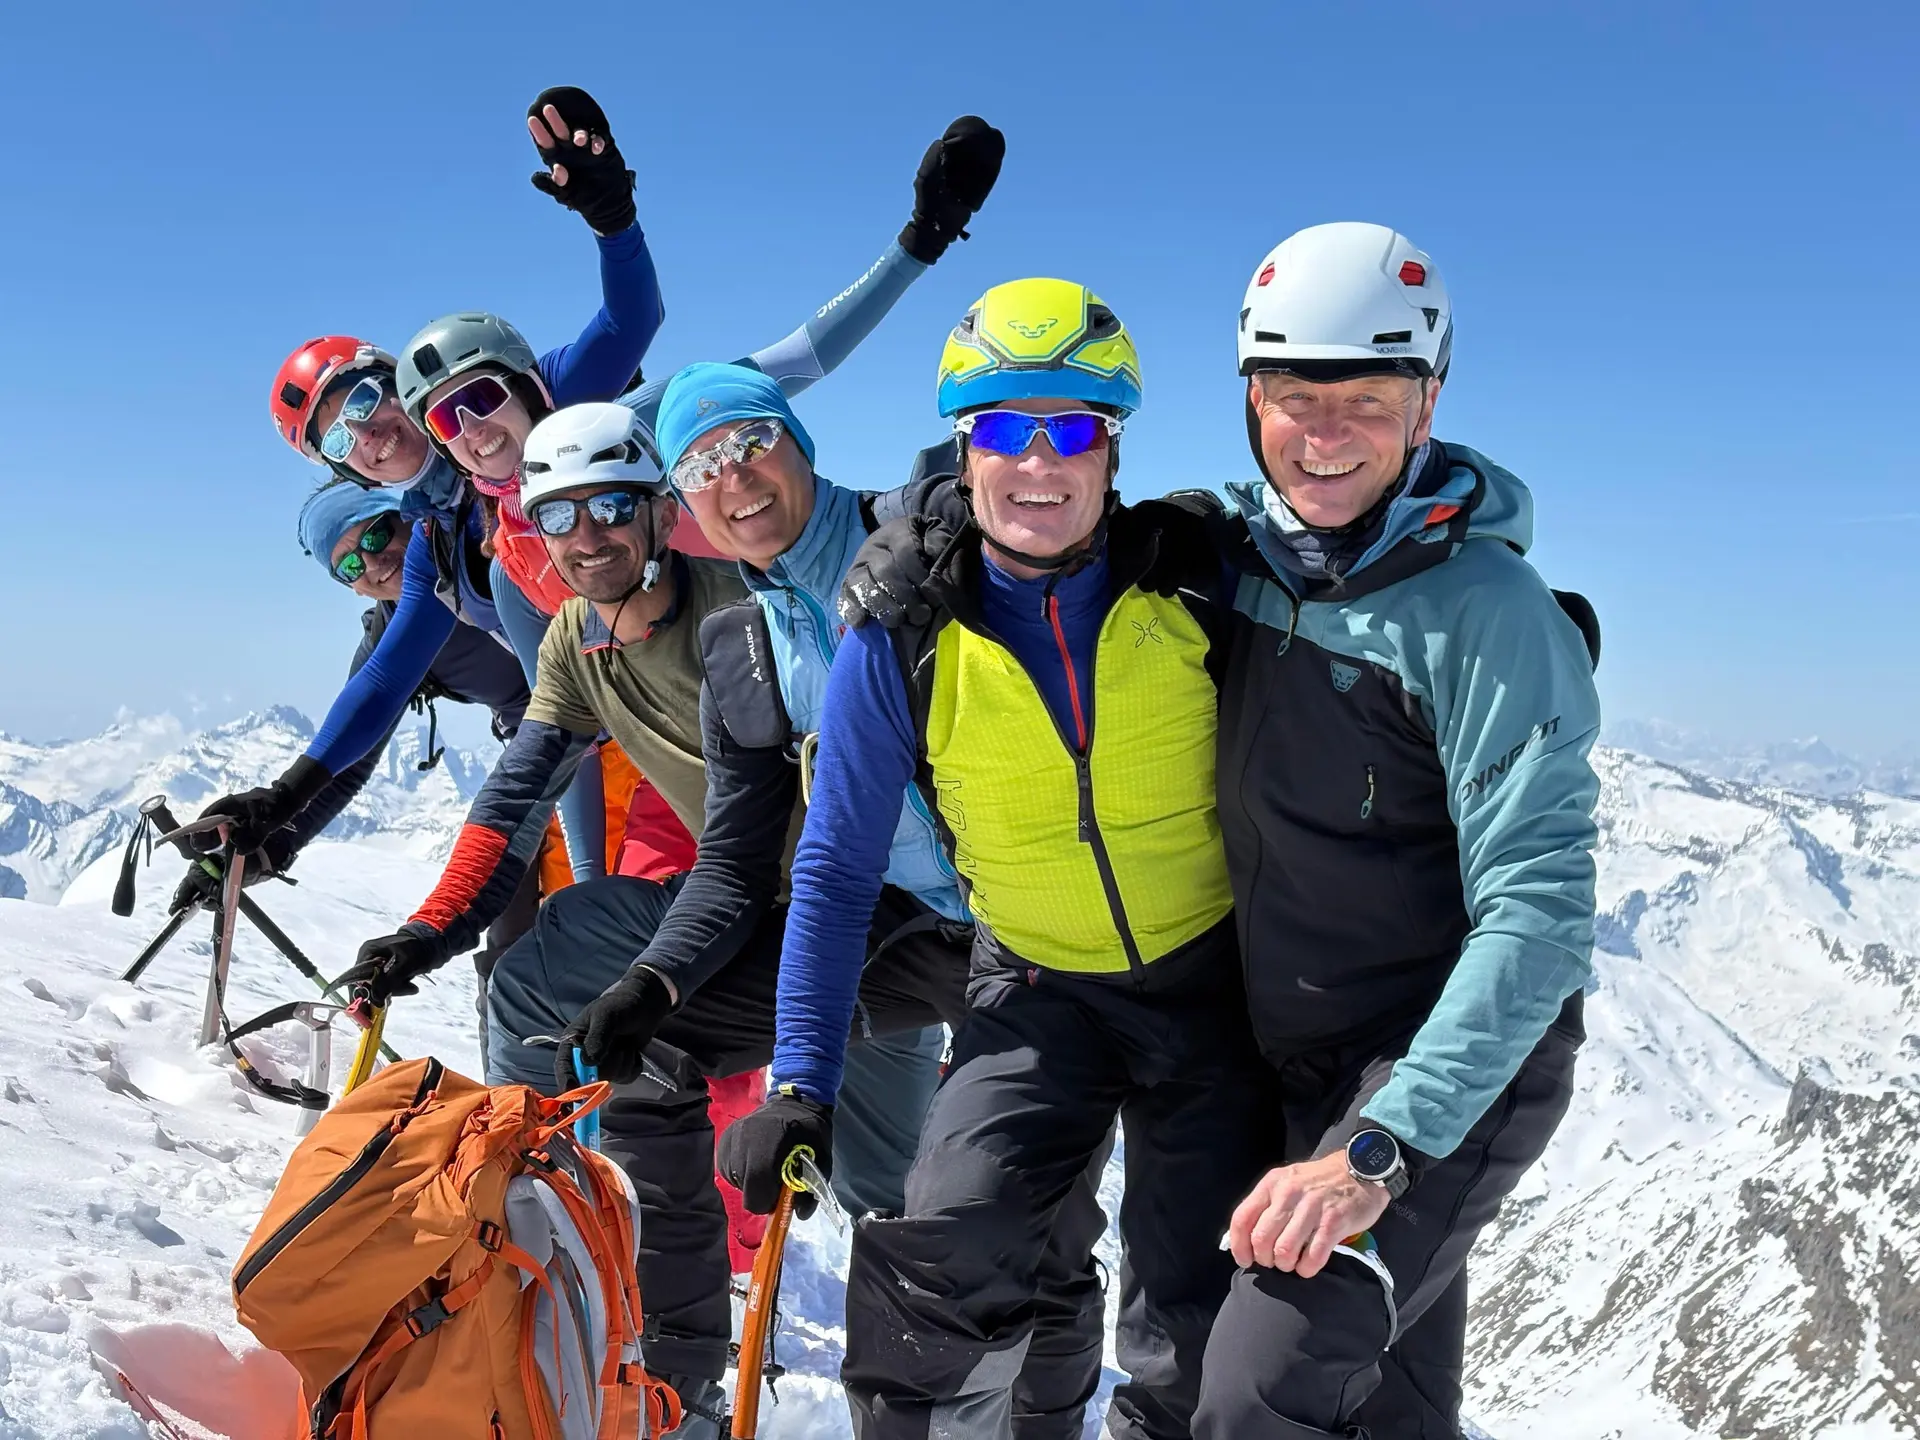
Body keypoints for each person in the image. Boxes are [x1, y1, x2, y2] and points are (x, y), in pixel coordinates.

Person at [839, 229, 1605, 1440]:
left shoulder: (1489, 612)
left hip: (1431, 1068)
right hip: (1289, 1053)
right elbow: (1050, 518)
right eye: (1297, 397)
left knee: (1256, 1394)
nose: (1328, 431)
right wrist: (923, 527)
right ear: (1251, 402)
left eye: (1369, 398)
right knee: (1382, 1402)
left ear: (1429, 403)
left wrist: (1378, 1148)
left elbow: (1543, 913)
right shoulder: (1233, 563)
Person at [336, 395, 981, 1439]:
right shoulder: (575, 646)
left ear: (655, 511)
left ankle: (954, 1394)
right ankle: (668, 1377)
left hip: (882, 913)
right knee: (619, 1019)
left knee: (893, 1187)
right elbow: (517, 797)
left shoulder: (739, 598)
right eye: (560, 517)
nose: (587, 540)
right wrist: (434, 928)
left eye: (610, 509)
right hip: (752, 920)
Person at [718, 280, 1273, 1440]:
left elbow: (1352, 584)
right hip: (1031, 995)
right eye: (1005, 428)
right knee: (943, 1252)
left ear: (1111, 447)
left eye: (1071, 426)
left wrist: (1505, 618)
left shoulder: (1196, 581)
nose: (1039, 461)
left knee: (1197, 1321)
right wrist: (800, 1083)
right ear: (962, 449)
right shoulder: (903, 632)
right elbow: (833, 865)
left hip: (1209, 993)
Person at [210, 112, 1005, 885]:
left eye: (361, 406)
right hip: (715, 736)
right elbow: (493, 709)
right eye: (342, 444)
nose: (375, 436)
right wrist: (285, 807)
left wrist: (919, 242)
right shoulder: (477, 555)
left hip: (833, 642)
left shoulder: (597, 422)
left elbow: (775, 358)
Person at [170, 481, 538, 1054]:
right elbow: (349, 759)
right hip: (541, 761)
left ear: (404, 518)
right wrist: (266, 845)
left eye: (374, 534)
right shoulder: (389, 637)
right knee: (513, 964)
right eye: (348, 565)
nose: (372, 561)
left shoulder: (478, 557)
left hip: (589, 741)